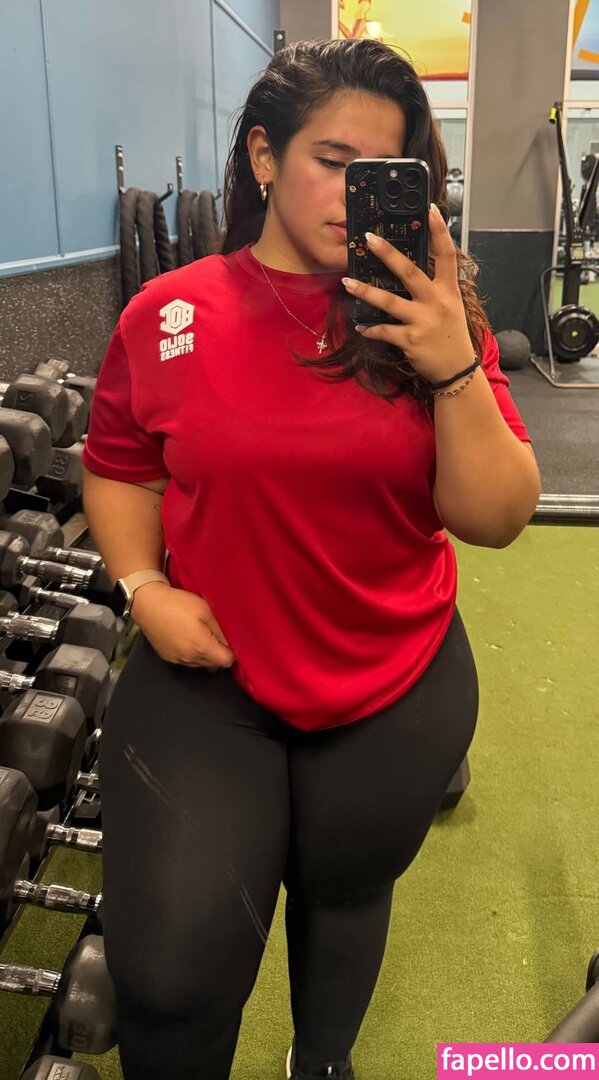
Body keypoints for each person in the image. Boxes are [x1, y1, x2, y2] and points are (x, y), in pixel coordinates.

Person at [82, 37, 541, 1080]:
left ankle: (320, 1061)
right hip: (213, 674)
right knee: (167, 977)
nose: (351, 194)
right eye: (332, 161)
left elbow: (494, 516)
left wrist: (452, 364)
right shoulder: (170, 313)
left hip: (392, 681)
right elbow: (118, 470)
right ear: (262, 156)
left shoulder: (432, 318)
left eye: (380, 171)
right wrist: (144, 588)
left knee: (343, 898)